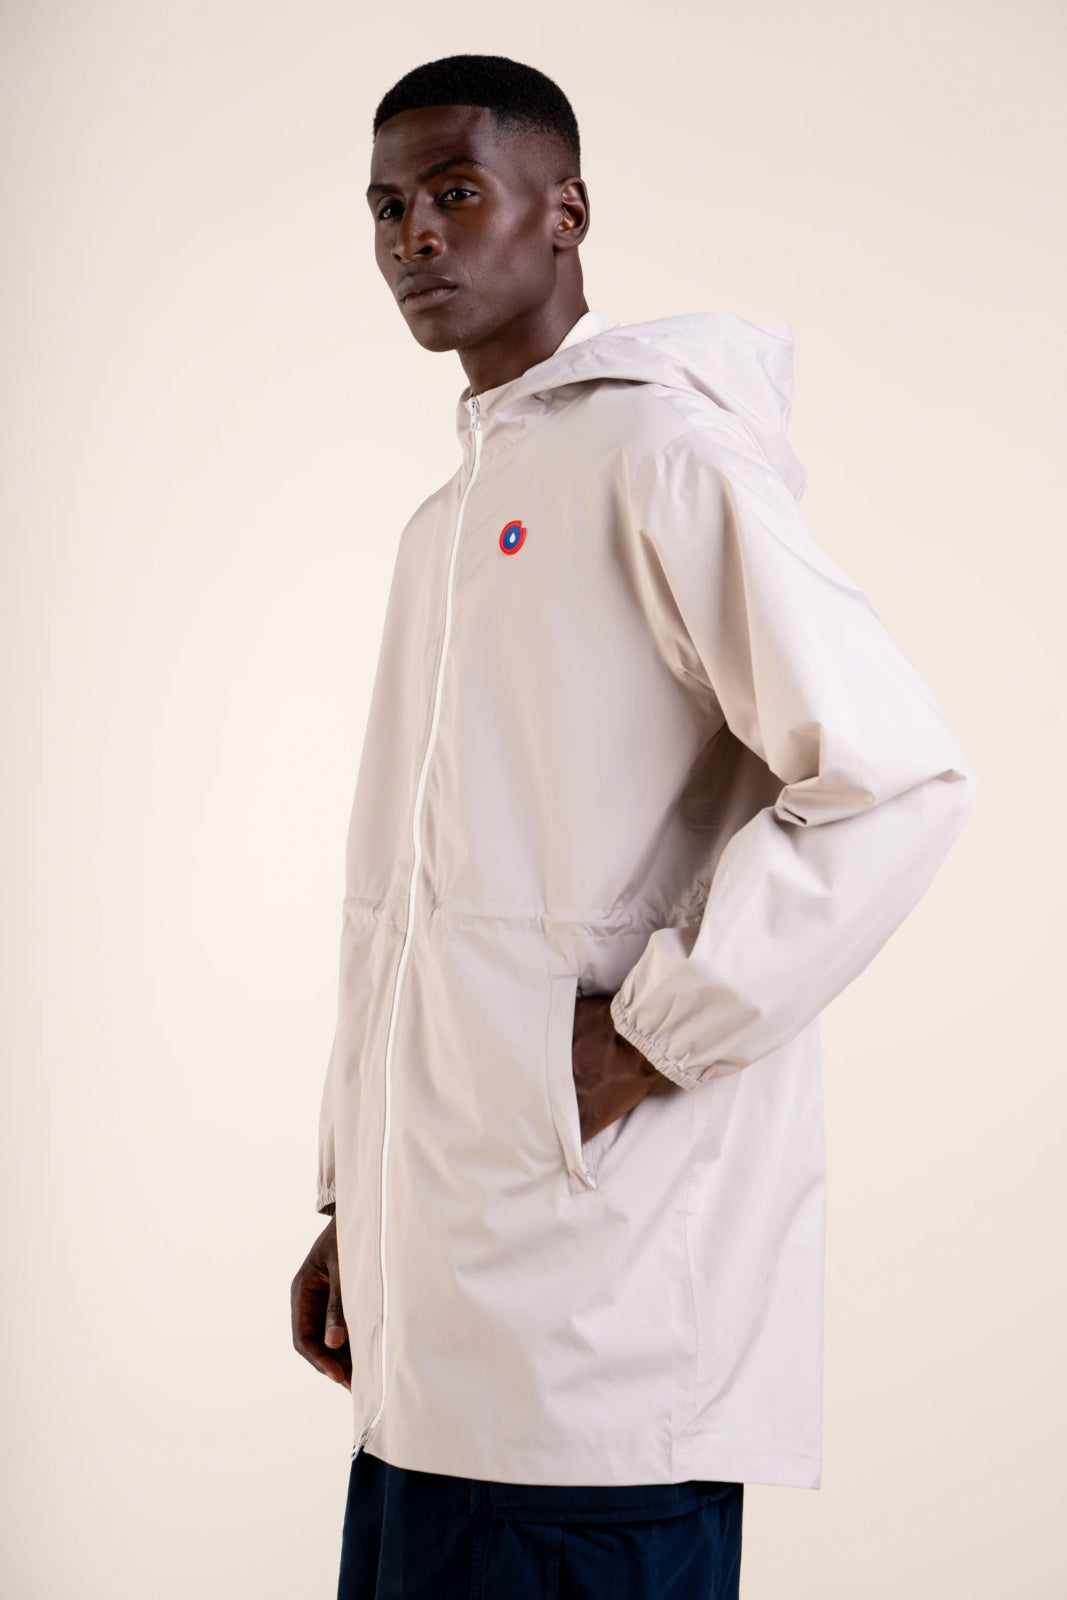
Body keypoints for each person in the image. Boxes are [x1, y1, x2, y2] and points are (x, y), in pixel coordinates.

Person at [290, 52, 977, 1600]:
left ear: (566, 212)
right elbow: (410, 912)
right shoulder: (444, 522)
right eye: (388, 207)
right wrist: (360, 1205)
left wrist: (652, 1032)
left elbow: (898, 779)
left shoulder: (664, 457)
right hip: (432, 1356)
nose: (415, 235)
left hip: (599, 1357)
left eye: (456, 192)